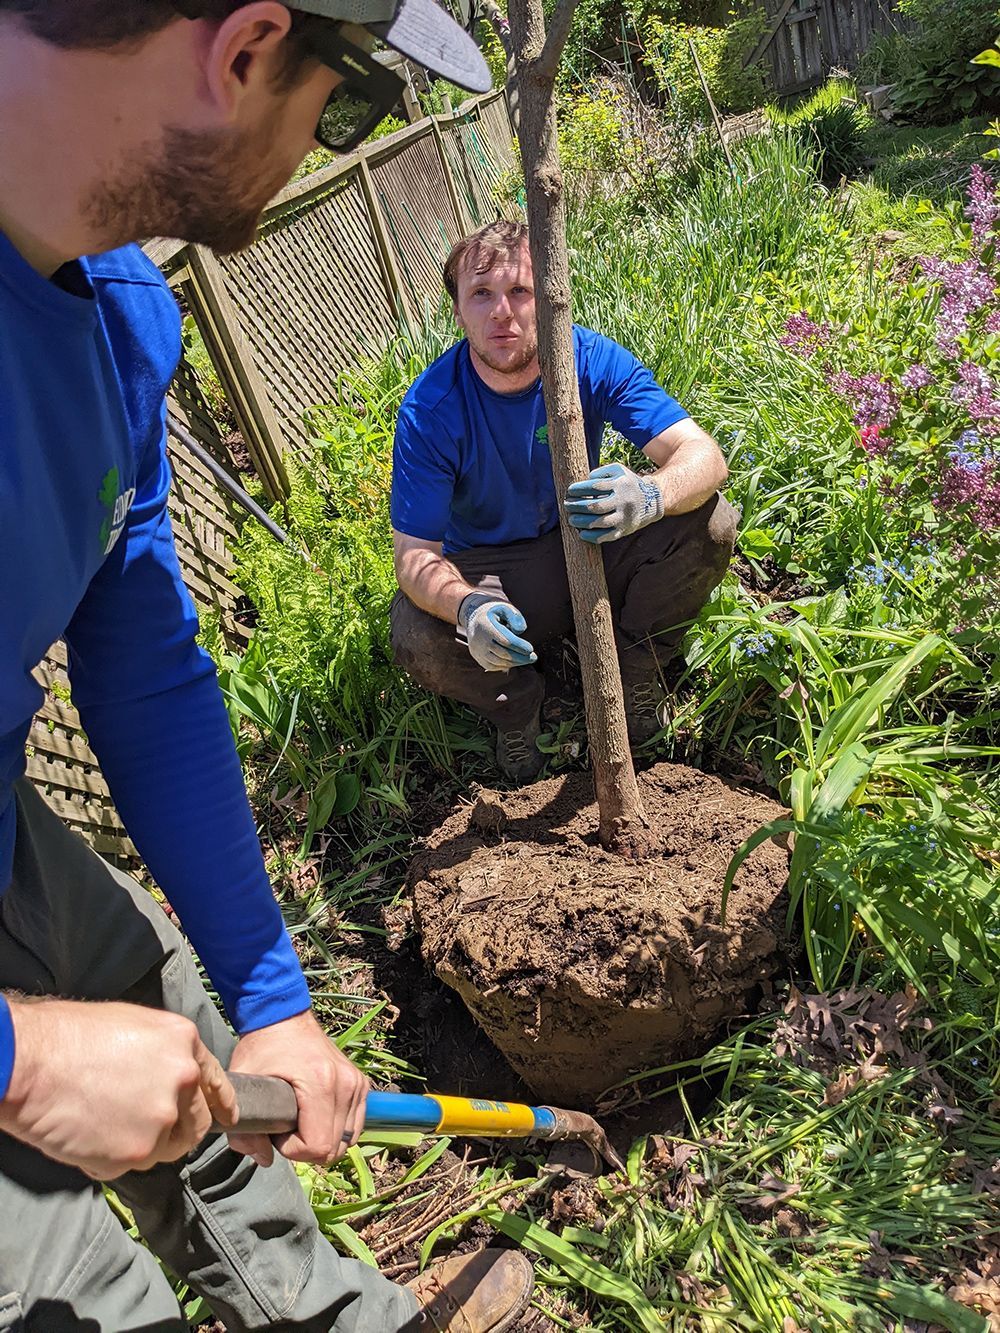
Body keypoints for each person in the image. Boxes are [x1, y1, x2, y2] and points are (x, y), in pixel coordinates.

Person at [0, 2, 534, 1329]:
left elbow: (144, 663)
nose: (327, 144)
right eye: (346, 103)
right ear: (244, 48)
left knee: (168, 1008)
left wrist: (275, 1000)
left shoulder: (118, 318)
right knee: (82, 1296)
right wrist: (14, 1060)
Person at [390, 220, 740, 780]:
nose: (501, 311)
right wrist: (467, 607)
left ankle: (636, 668)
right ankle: (518, 704)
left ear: (551, 296)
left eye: (519, 291)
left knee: (709, 522)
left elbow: (704, 456)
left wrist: (651, 493)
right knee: (414, 630)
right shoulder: (433, 409)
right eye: (481, 293)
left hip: (586, 540)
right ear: (457, 310)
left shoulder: (591, 359)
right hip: (494, 573)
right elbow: (414, 557)